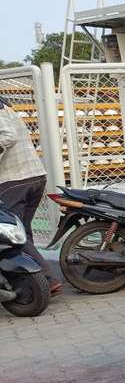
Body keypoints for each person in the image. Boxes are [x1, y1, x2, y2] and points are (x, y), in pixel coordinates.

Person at [0, 96, 62, 295]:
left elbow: (7, 136)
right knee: (23, 230)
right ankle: (37, 281)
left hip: (14, 179)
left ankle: (48, 278)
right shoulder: (7, 108)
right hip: (34, 176)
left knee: (11, 233)